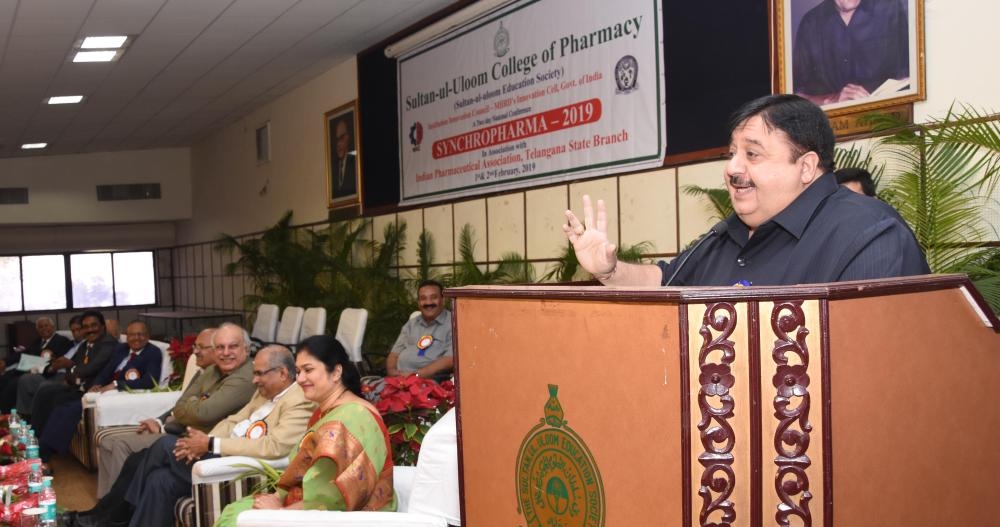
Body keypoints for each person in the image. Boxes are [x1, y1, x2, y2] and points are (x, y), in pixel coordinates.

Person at [562, 93, 929, 287]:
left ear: (805, 166)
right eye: (732, 153)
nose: (733, 169)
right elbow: (665, 283)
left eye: (752, 154)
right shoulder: (727, 235)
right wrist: (609, 271)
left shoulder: (869, 234)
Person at [69, 345, 314, 527]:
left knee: (164, 444)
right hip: (214, 453)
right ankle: (114, 516)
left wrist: (209, 443)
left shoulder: (298, 401)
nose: (254, 380)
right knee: (159, 479)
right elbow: (232, 421)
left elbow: (276, 446)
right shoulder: (264, 393)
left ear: (282, 373)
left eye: (260, 374)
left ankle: (114, 515)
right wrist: (201, 444)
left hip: (235, 466)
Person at [214, 335, 396, 527]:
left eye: (308, 370)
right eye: (298, 371)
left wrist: (280, 513)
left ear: (336, 372)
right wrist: (276, 499)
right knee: (237, 511)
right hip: (310, 509)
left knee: (239, 519)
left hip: (349, 518)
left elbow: (334, 496)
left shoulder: (353, 416)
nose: (299, 379)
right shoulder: (323, 412)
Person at [95, 324, 255, 496]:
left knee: (137, 458)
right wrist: (160, 420)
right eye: (220, 347)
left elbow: (203, 414)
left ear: (246, 350)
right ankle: (105, 504)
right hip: (176, 428)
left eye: (232, 346)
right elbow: (181, 405)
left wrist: (181, 413)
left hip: (191, 438)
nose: (196, 352)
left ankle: (114, 509)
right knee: (113, 445)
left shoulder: (243, 378)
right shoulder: (211, 371)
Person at [36, 320, 163, 461]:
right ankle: (43, 448)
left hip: (119, 394)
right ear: (126, 336)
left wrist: (116, 384)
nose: (136, 338)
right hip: (104, 391)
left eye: (141, 334)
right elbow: (106, 371)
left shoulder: (153, 353)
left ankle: (43, 455)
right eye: (132, 335)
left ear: (147, 336)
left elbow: (150, 382)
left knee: (71, 409)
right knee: (61, 406)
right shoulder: (122, 349)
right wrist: (96, 385)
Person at [793, 0, 910, 105]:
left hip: (888, 119)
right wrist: (831, 100)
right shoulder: (810, 23)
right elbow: (794, 96)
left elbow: (912, 76)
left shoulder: (891, 9)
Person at [18, 310, 116, 433]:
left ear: (102, 326)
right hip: (73, 383)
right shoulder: (86, 344)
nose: (90, 329)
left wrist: (72, 370)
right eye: (86, 327)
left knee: (50, 393)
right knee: (44, 390)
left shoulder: (107, 343)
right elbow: (73, 367)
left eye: (94, 325)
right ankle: (34, 432)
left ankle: (38, 436)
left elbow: (88, 368)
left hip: (90, 388)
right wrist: (72, 371)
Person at [0, 316, 74, 407]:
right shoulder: (37, 341)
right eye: (40, 327)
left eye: (46, 325)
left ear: (52, 327)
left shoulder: (62, 341)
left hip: (44, 373)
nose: (44, 329)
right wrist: (5, 361)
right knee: (5, 377)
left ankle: (6, 411)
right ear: (37, 330)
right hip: (26, 368)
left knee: (14, 384)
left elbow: (61, 360)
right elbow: (23, 353)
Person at [386, 280, 453, 380]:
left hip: (430, 382)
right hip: (400, 380)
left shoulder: (453, 323)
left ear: (443, 300)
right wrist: (392, 372)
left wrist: (416, 375)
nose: (428, 302)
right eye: (423, 298)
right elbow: (394, 354)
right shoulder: (411, 324)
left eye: (433, 297)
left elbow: (451, 359)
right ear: (418, 302)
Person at [331, 117, 357, 198]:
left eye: (341, 137)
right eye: (336, 139)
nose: (338, 144)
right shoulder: (333, 167)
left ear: (348, 137)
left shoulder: (355, 164)